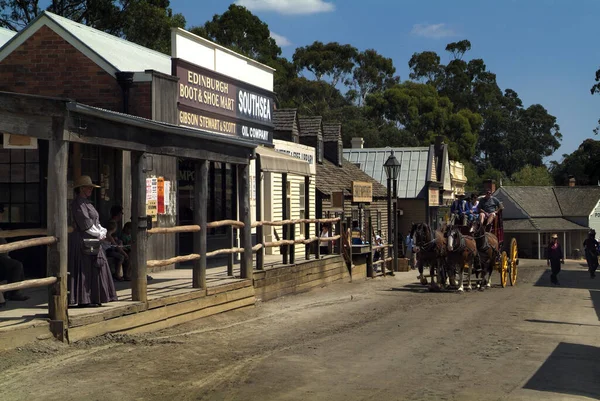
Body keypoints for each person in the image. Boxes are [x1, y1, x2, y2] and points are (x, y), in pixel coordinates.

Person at [68, 175, 117, 307]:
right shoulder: (78, 203)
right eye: (88, 187)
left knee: (97, 266)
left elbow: (95, 221)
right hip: (83, 240)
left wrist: (102, 230)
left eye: (91, 187)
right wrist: (98, 233)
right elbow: (85, 223)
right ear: (81, 188)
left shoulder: (88, 203)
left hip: (93, 238)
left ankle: (96, 297)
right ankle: (85, 299)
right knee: (85, 269)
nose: (90, 189)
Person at [0, 204, 30, 304]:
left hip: (3, 254)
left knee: (17, 264)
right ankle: (14, 293)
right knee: (17, 265)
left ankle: (13, 291)